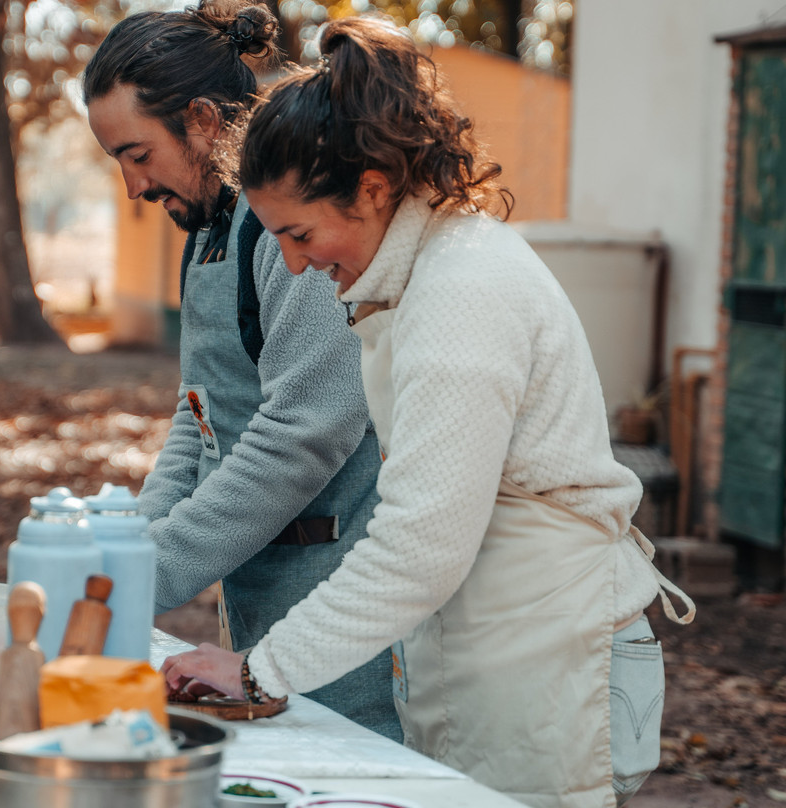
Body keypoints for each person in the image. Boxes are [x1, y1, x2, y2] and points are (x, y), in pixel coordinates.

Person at [161, 16, 696, 808]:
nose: (295, 264)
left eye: (300, 233)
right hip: (488, 640)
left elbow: (420, 545)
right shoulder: (419, 271)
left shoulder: (460, 292)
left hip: (542, 653)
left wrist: (257, 668)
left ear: (372, 190)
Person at [82, 1, 401, 740]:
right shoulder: (208, 231)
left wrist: (144, 579)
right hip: (260, 588)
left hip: (339, 593)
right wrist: (129, 548)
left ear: (200, 120)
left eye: (137, 154)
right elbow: (199, 417)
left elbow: (303, 433)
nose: (134, 186)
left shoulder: (293, 232)